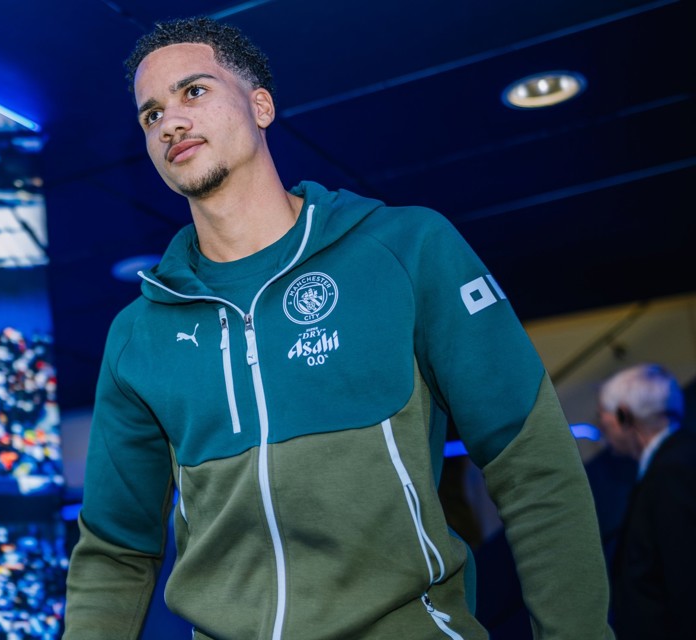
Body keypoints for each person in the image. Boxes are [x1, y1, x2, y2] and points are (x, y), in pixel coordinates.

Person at [64, 16, 613, 639]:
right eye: (150, 114)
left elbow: (534, 466)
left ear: (261, 105)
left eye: (194, 91)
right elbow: (115, 551)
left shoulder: (406, 249)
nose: (171, 122)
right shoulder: (137, 334)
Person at [597, 363, 695, 638]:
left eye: (602, 413)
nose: (599, 423)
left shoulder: (671, 472)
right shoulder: (675, 462)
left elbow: (684, 579)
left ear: (624, 415)